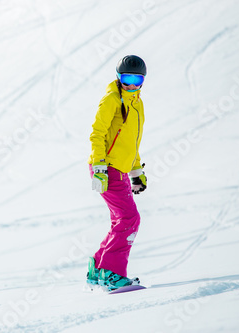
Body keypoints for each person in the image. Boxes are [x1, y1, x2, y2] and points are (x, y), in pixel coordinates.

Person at [86, 55, 148, 291]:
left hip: (119, 169)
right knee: (129, 219)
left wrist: (136, 173)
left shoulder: (137, 103)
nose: (131, 84)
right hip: (107, 169)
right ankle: (112, 273)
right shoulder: (112, 100)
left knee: (120, 220)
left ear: (142, 81)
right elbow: (97, 133)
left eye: (136, 79)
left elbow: (131, 143)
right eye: (126, 78)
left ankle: (99, 269)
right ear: (118, 77)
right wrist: (100, 167)